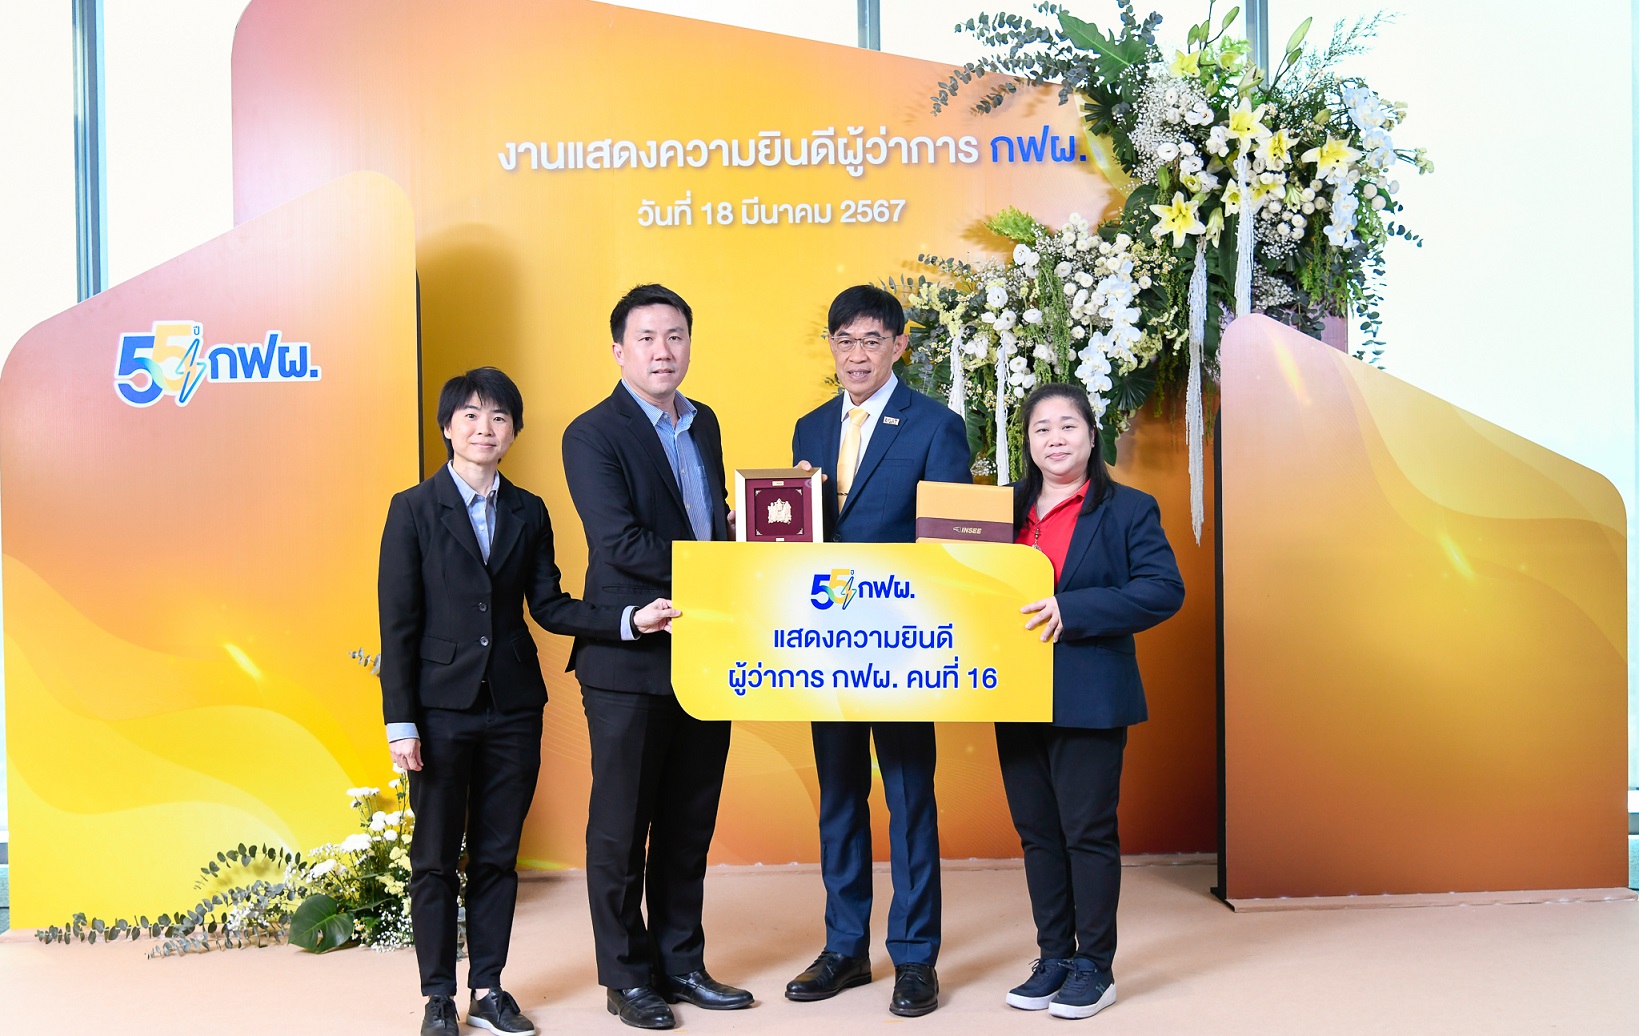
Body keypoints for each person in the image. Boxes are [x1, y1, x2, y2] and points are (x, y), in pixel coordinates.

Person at [378, 367, 679, 1036]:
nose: (484, 428)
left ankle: (488, 989)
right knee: (434, 859)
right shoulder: (413, 509)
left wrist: (629, 620)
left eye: (499, 417)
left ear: (514, 430)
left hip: (514, 708)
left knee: (497, 855)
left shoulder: (529, 510)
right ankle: (437, 997)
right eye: (470, 415)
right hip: (439, 709)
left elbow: (549, 604)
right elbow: (397, 624)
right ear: (447, 426)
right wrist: (401, 721)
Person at [561, 284, 753, 1031]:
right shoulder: (591, 434)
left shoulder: (704, 423)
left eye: (675, 336)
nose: (662, 351)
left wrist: (752, 536)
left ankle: (682, 964)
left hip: (706, 652)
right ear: (619, 351)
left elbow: (709, 521)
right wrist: (720, 567)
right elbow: (621, 544)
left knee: (687, 822)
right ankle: (626, 977)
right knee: (620, 830)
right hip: (630, 659)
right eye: (646, 338)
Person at [785, 284, 972, 1017]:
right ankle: (844, 949)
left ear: (899, 346)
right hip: (825, 645)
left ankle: (915, 957)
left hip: (901, 643)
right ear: (830, 347)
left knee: (908, 797)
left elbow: (952, 541)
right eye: (844, 340)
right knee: (838, 796)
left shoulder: (936, 425)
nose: (856, 355)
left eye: (871, 340)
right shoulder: (808, 427)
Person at [999, 383, 1184, 1020]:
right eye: (1042, 428)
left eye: (1067, 426)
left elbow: (1163, 590)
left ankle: (1094, 968)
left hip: (1090, 692)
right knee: (1037, 834)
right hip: (1013, 690)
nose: (1055, 439)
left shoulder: (1129, 508)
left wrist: (1071, 610)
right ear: (1027, 442)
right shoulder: (1000, 511)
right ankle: (1053, 957)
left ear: (1091, 434)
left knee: (1087, 832)